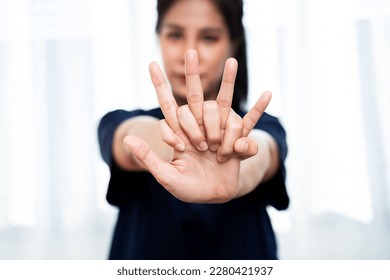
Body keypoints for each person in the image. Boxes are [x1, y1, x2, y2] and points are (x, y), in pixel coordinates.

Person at [97, 0, 289, 260]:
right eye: (175, 35)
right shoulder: (121, 120)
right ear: (159, 38)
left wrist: (231, 158)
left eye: (209, 38)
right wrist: (177, 144)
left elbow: (263, 152)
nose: (189, 53)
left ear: (234, 44)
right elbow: (128, 140)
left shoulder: (261, 126)